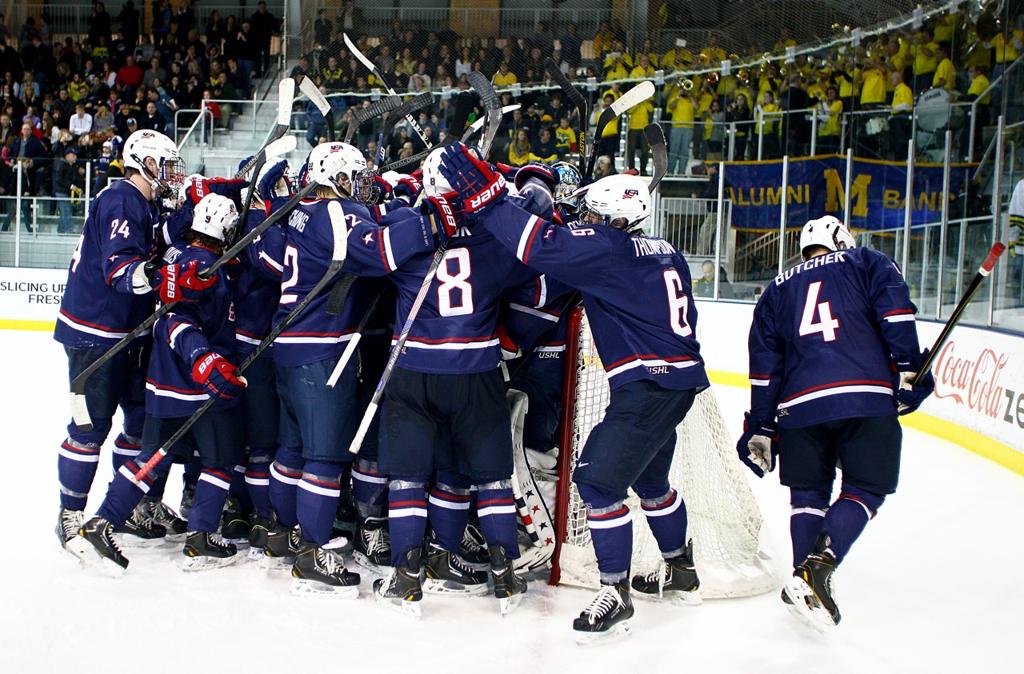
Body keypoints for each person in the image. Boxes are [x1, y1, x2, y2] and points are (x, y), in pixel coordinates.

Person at [436, 148, 710, 642]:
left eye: (594, 215)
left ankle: (615, 591)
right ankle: (679, 567)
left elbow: (536, 246)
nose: (586, 220)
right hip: (679, 381)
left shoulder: (606, 249)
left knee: (599, 485)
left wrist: (489, 196)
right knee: (651, 482)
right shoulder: (665, 250)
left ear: (615, 219)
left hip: (648, 386)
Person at [737, 215, 934, 629]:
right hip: (864, 396)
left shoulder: (776, 289)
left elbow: (764, 366)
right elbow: (895, 315)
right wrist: (910, 367)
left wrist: (763, 424)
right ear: (842, 239)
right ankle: (818, 566)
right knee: (867, 486)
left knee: (807, 494)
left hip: (798, 408)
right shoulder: (867, 261)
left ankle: (803, 583)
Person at [256, 142, 436, 595]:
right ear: (333, 177)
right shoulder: (334, 214)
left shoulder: (301, 211)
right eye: (353, 177)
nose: (360, 187)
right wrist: (420, 218)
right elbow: (378, 254)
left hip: (289, 343)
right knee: (324, 457)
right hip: (321, 349)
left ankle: (281, 531)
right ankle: (314, 551)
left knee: (292, 449)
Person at [371, 148, 542, 617]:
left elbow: (367, 255)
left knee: (408, 478)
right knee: (489, 479)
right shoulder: (493, 241)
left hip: (413, 371)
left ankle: (408, 573)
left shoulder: (408, 234)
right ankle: (504, 572)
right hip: (476, 373)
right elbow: (536, 257)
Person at [68, 193, 246, 575]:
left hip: (161, 381)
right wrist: (205, 359)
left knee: (150, 456)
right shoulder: (205, 267)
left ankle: (102, 521)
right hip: (198, 386)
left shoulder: (173, 254)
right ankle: (200, 538)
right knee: (219, 460)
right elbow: (178, 320)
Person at [53, 130, 200, 553]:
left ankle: (132, 507)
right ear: (146, 163)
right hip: (95, 336)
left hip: (132, 334)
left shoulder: (146, 203)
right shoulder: (120, 199)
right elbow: (122, 272)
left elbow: (159, 240)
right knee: (90, 427)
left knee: (139, 424)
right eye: (166, 166)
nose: (172, 174)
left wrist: (192, 212)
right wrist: (164, 277)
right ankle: (70, 513)